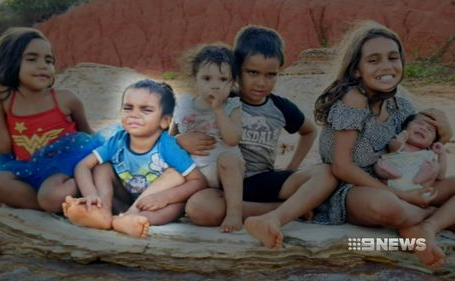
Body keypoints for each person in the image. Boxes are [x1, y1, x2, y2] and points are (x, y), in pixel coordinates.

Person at [179, 25, 338, 248]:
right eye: (252, 73)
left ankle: (274, 217)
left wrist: (292, 167)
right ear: (236, 70)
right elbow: (178, 127)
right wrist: (180, 140)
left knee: (327, 173)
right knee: (198, 209)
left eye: (270, 75)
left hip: (263, 179)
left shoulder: (280, 107)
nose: (261, 82)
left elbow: (309, 131)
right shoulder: (222, 100)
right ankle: (288, 209)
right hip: (224, 183)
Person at [313, 20, 455, 269]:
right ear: (356, 70)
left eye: (393, 57)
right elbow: (341, 167)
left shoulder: (401, 106)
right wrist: (404, 196)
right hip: (352, 188)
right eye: (374, 60)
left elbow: (422, 140)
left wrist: (445, 133)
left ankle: (427, 228)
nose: (387, 66)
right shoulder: (353, 99)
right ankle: (426, 216)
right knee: (388, 206)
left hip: (398, 183)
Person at [62, 79, 207, 238]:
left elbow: (198, 181)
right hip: (123, 198)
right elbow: (82, 166)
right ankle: (102, 210)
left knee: (176, 183)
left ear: (164, 121)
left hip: (156, 205)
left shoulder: (167, 146)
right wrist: (90, 194)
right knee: (102, 167)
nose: (134, 115)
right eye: (128, 108)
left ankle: (134, 219)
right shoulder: (117, 140)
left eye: (146, 110)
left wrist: (164, 197)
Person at [0, 27, 101, 212]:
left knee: (50, 195)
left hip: (64, 171)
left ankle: (60, 201)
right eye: (31, 59)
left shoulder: (66, 99)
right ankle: (54, 207)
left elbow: (89, 137)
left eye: (49, 60)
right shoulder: (5, 99)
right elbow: (2, 148)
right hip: (26, 169)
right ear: (11, 62)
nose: (43, 65)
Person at [171, 44, 245, 232]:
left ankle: (234, 213)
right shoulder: (184, 104)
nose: (215, 84)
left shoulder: (231, 106)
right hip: (194, 173)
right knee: (170, 173)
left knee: (229, 160)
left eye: (223, 79)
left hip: (223, 172)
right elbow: (168, 139)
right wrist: (180, 138)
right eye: (206, 78)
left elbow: (232, 139)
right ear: (194, 80)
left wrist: (218, 110)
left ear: (233, 82)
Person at [374, 113, 447, 192]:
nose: (423, 128)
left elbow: (440, 176)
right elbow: (392, 147)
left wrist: (441, 154)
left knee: (435, 166)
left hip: (416, 186)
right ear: (405, 127)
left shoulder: (428, 155)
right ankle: (392, 172)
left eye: (430, 130)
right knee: (378, 164)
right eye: (419, 123)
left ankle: (420, 177)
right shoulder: (401, 142)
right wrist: (399, 141)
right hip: (390, 180)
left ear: (432, 143)